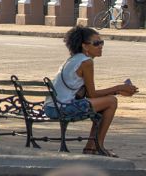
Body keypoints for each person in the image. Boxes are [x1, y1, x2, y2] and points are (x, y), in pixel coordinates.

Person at [43, 26, 138, 158]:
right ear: (85, 46)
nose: (100, 46)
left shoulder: (73, 59)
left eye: (101, 42)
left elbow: (87, 94)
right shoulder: (86, 62)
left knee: (106, 102)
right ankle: (98, 146)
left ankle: (91, 147)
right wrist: (118, 88)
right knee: (111, 102)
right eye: (96, 43)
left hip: (51, 107)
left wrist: (118, 90)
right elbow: (92, 94)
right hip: (62, 108)